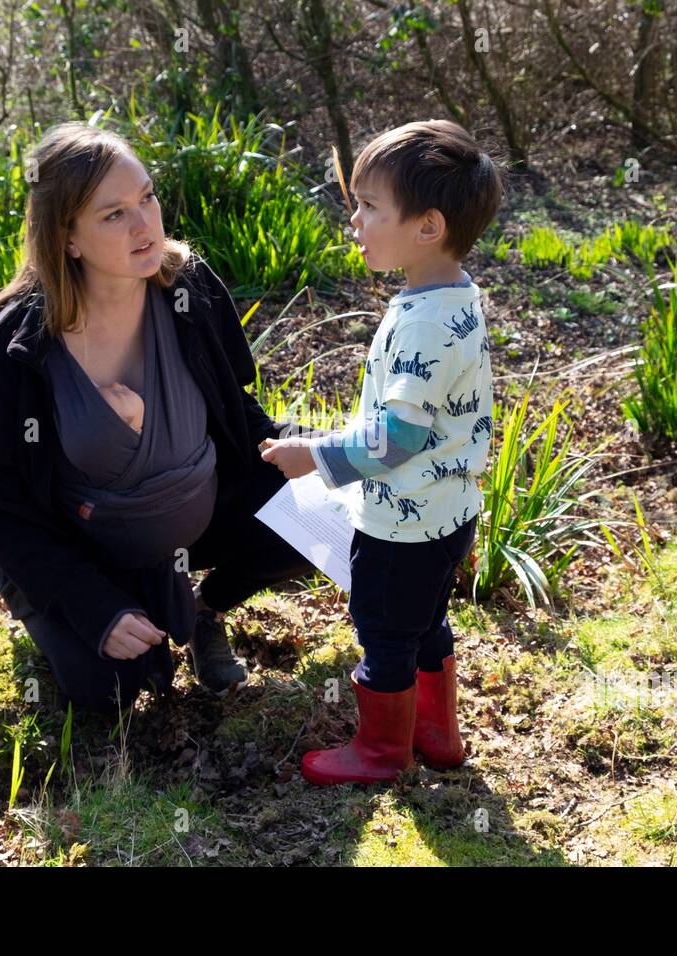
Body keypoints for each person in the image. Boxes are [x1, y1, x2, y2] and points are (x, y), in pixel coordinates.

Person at [0, 121, 315, 713]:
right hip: (83, 550)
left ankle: (205, 611)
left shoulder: (189, 290)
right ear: (67, 238)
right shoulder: (18, 348)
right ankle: (113, 607)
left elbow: (239, 413)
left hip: (194, 517)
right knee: (119, 692)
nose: (145, 224)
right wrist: (90, 603)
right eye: (113, 214)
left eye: (146, 197)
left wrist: (316, 451)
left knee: (321, 509)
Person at [261, 120, 502, 785]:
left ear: (426, 227)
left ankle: (380, 753)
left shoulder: (425, 321)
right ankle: (438, 734)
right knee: (427, 625)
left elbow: (398, 438)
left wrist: (316, 455)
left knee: (385, 634)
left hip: (403, 523)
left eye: (370, 207)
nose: (356, 221)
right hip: (449, 512)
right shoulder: (453, 296)